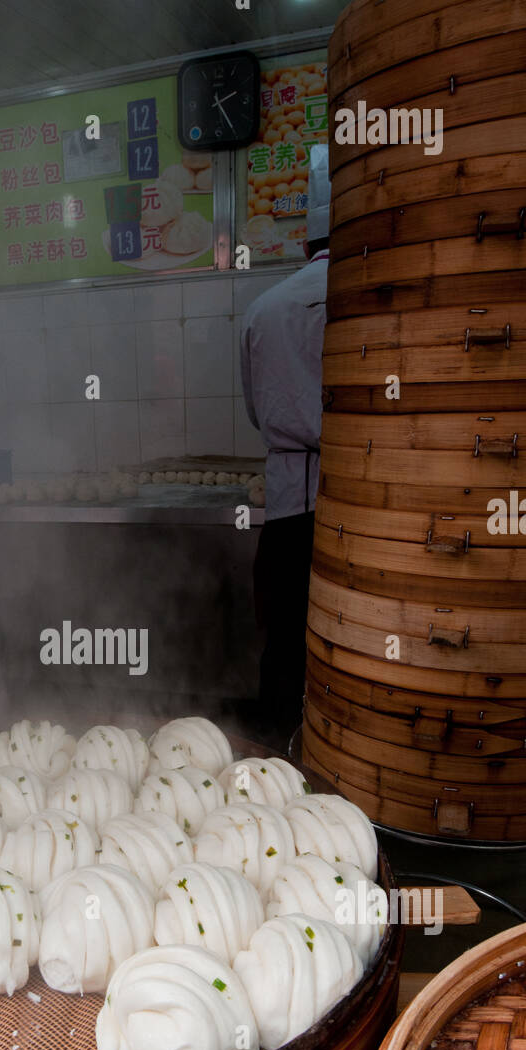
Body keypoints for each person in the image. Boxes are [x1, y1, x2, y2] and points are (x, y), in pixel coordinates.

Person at [239, 144, 330, 739]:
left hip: (289, 503)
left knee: (283, 629)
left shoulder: (264, 309)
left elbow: (254, 409)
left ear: (305, 243)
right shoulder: (378, 300)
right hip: (360, 506)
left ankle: (274, 744)